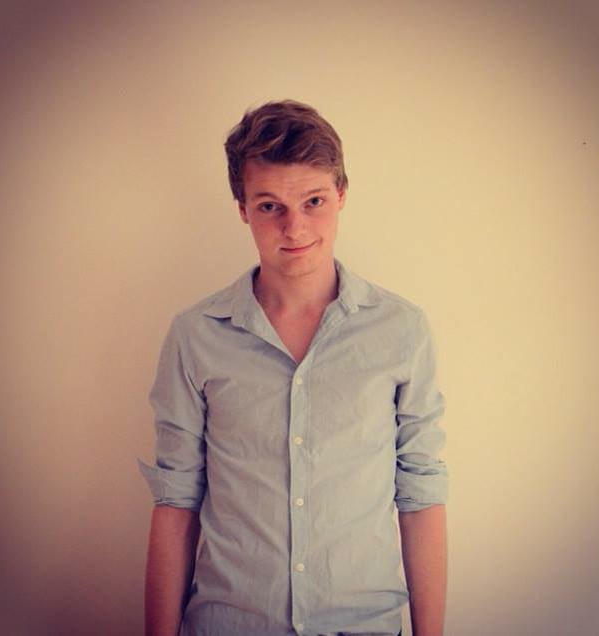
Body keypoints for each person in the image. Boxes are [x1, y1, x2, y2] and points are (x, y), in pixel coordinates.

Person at [138, 99, 448, 636]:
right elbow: (176, 502)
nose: (295, 226)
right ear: (242, 209)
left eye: (313, 201)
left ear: (341, 194)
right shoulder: (195, 336)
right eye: (269, 206)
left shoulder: (402, 331)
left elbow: (420, 496)